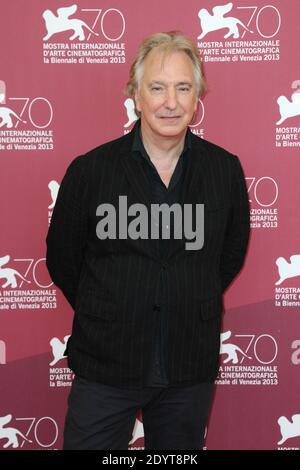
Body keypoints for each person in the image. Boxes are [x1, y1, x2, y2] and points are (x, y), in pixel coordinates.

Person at [46, 31, 250, 450]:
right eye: (156, 88)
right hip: (106, 363)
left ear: (197, 99)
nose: (169, 102)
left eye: (182, 88)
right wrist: (109, 306)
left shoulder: (224, 171)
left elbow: (227, 256)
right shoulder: (90, 171)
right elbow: (63, 259)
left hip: (187, 366)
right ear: (135, 96)